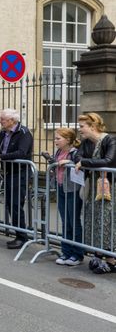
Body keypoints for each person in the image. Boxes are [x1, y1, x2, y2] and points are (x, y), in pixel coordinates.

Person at [0, 108, 33, 249]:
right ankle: (19, 234)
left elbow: (22, 153)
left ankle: (22, 237)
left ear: (12, 121)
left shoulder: (24, 133)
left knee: (16, 205)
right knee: (10, 204)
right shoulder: (4, 132)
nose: (0, 121)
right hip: (8, 172)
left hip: (20, 173)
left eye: (3, 119)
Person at [75, 113, 116, 274]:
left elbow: (108, 161)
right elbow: (77, 156)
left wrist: (84, 162)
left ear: (93, 127)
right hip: (93, 188)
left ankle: (111, 259)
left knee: (107, 221)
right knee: (94, 220)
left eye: (82, 126)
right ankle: (98, 254)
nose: (80, 130)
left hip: (109, 189)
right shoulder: (86, 143)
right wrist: (82, 161)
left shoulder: (110, 140)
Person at [43, 128, 83, 266]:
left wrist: (69, 163)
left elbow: (80, 166)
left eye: (58, 138)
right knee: (65, 221)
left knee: (74, 221)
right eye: (55, 138)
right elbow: (56, 168)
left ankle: (77, 254)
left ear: (68, 140)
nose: (55, 141)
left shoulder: (75, 153)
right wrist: (51, 160)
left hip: (72, 190)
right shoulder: (59, 152)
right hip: (60, 187)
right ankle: (66, 252)